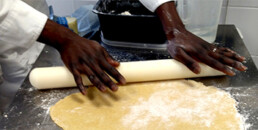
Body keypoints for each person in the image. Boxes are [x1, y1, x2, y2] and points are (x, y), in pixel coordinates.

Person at [0, 0, 247, 110]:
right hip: (8, 34)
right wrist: (63, 38)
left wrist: (175, 28)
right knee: (15, 94)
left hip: (33, 12)